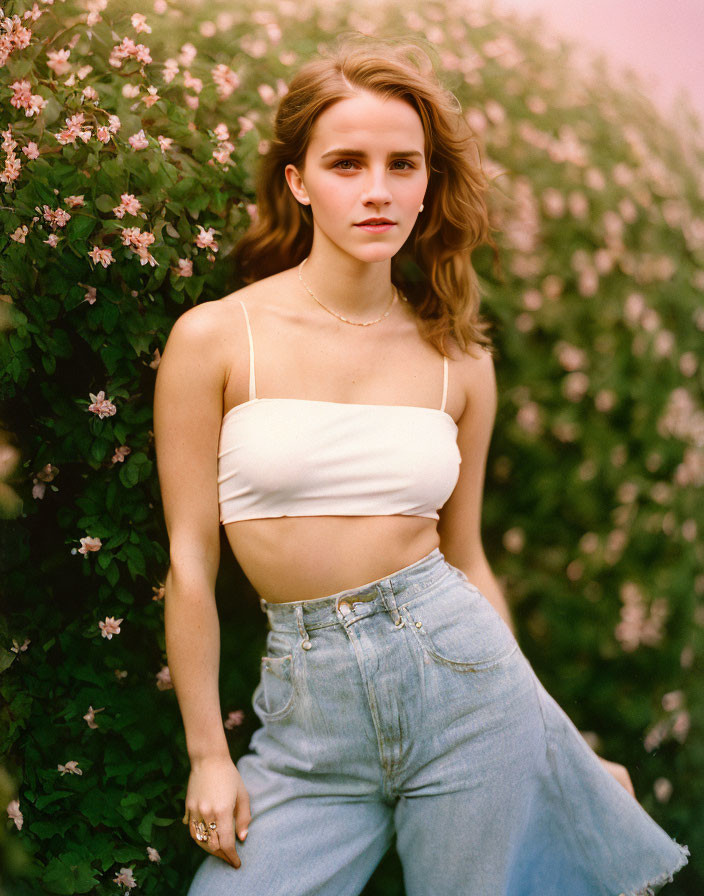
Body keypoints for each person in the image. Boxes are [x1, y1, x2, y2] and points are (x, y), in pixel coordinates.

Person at [154, 33, 690, 896]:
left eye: (404, 165)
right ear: (298, 181)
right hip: (307, 721)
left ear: (428, 184)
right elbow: (190, 560)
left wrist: (551, 737)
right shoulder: (218, 338)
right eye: (346, 163)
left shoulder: (459, 357)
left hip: (471, 697)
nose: (377, 190)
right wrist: (207, 757)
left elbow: (468, 557)